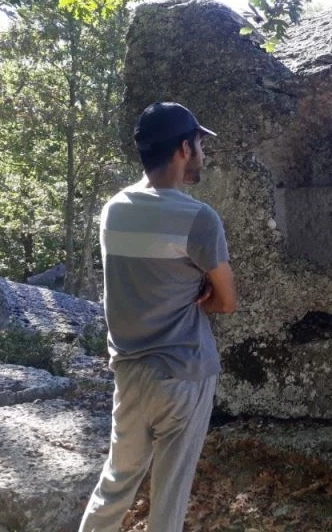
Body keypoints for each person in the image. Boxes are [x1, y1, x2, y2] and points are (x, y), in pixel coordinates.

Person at [79, 102, 237, 532]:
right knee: (169, 500)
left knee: (113, 487)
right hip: (184, 373)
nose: (204, 153)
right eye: (201, 144)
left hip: (130, 374)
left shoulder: (114, 210)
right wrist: (199, 290)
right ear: (185, 148)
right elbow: (226, 301)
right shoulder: (199, 219)